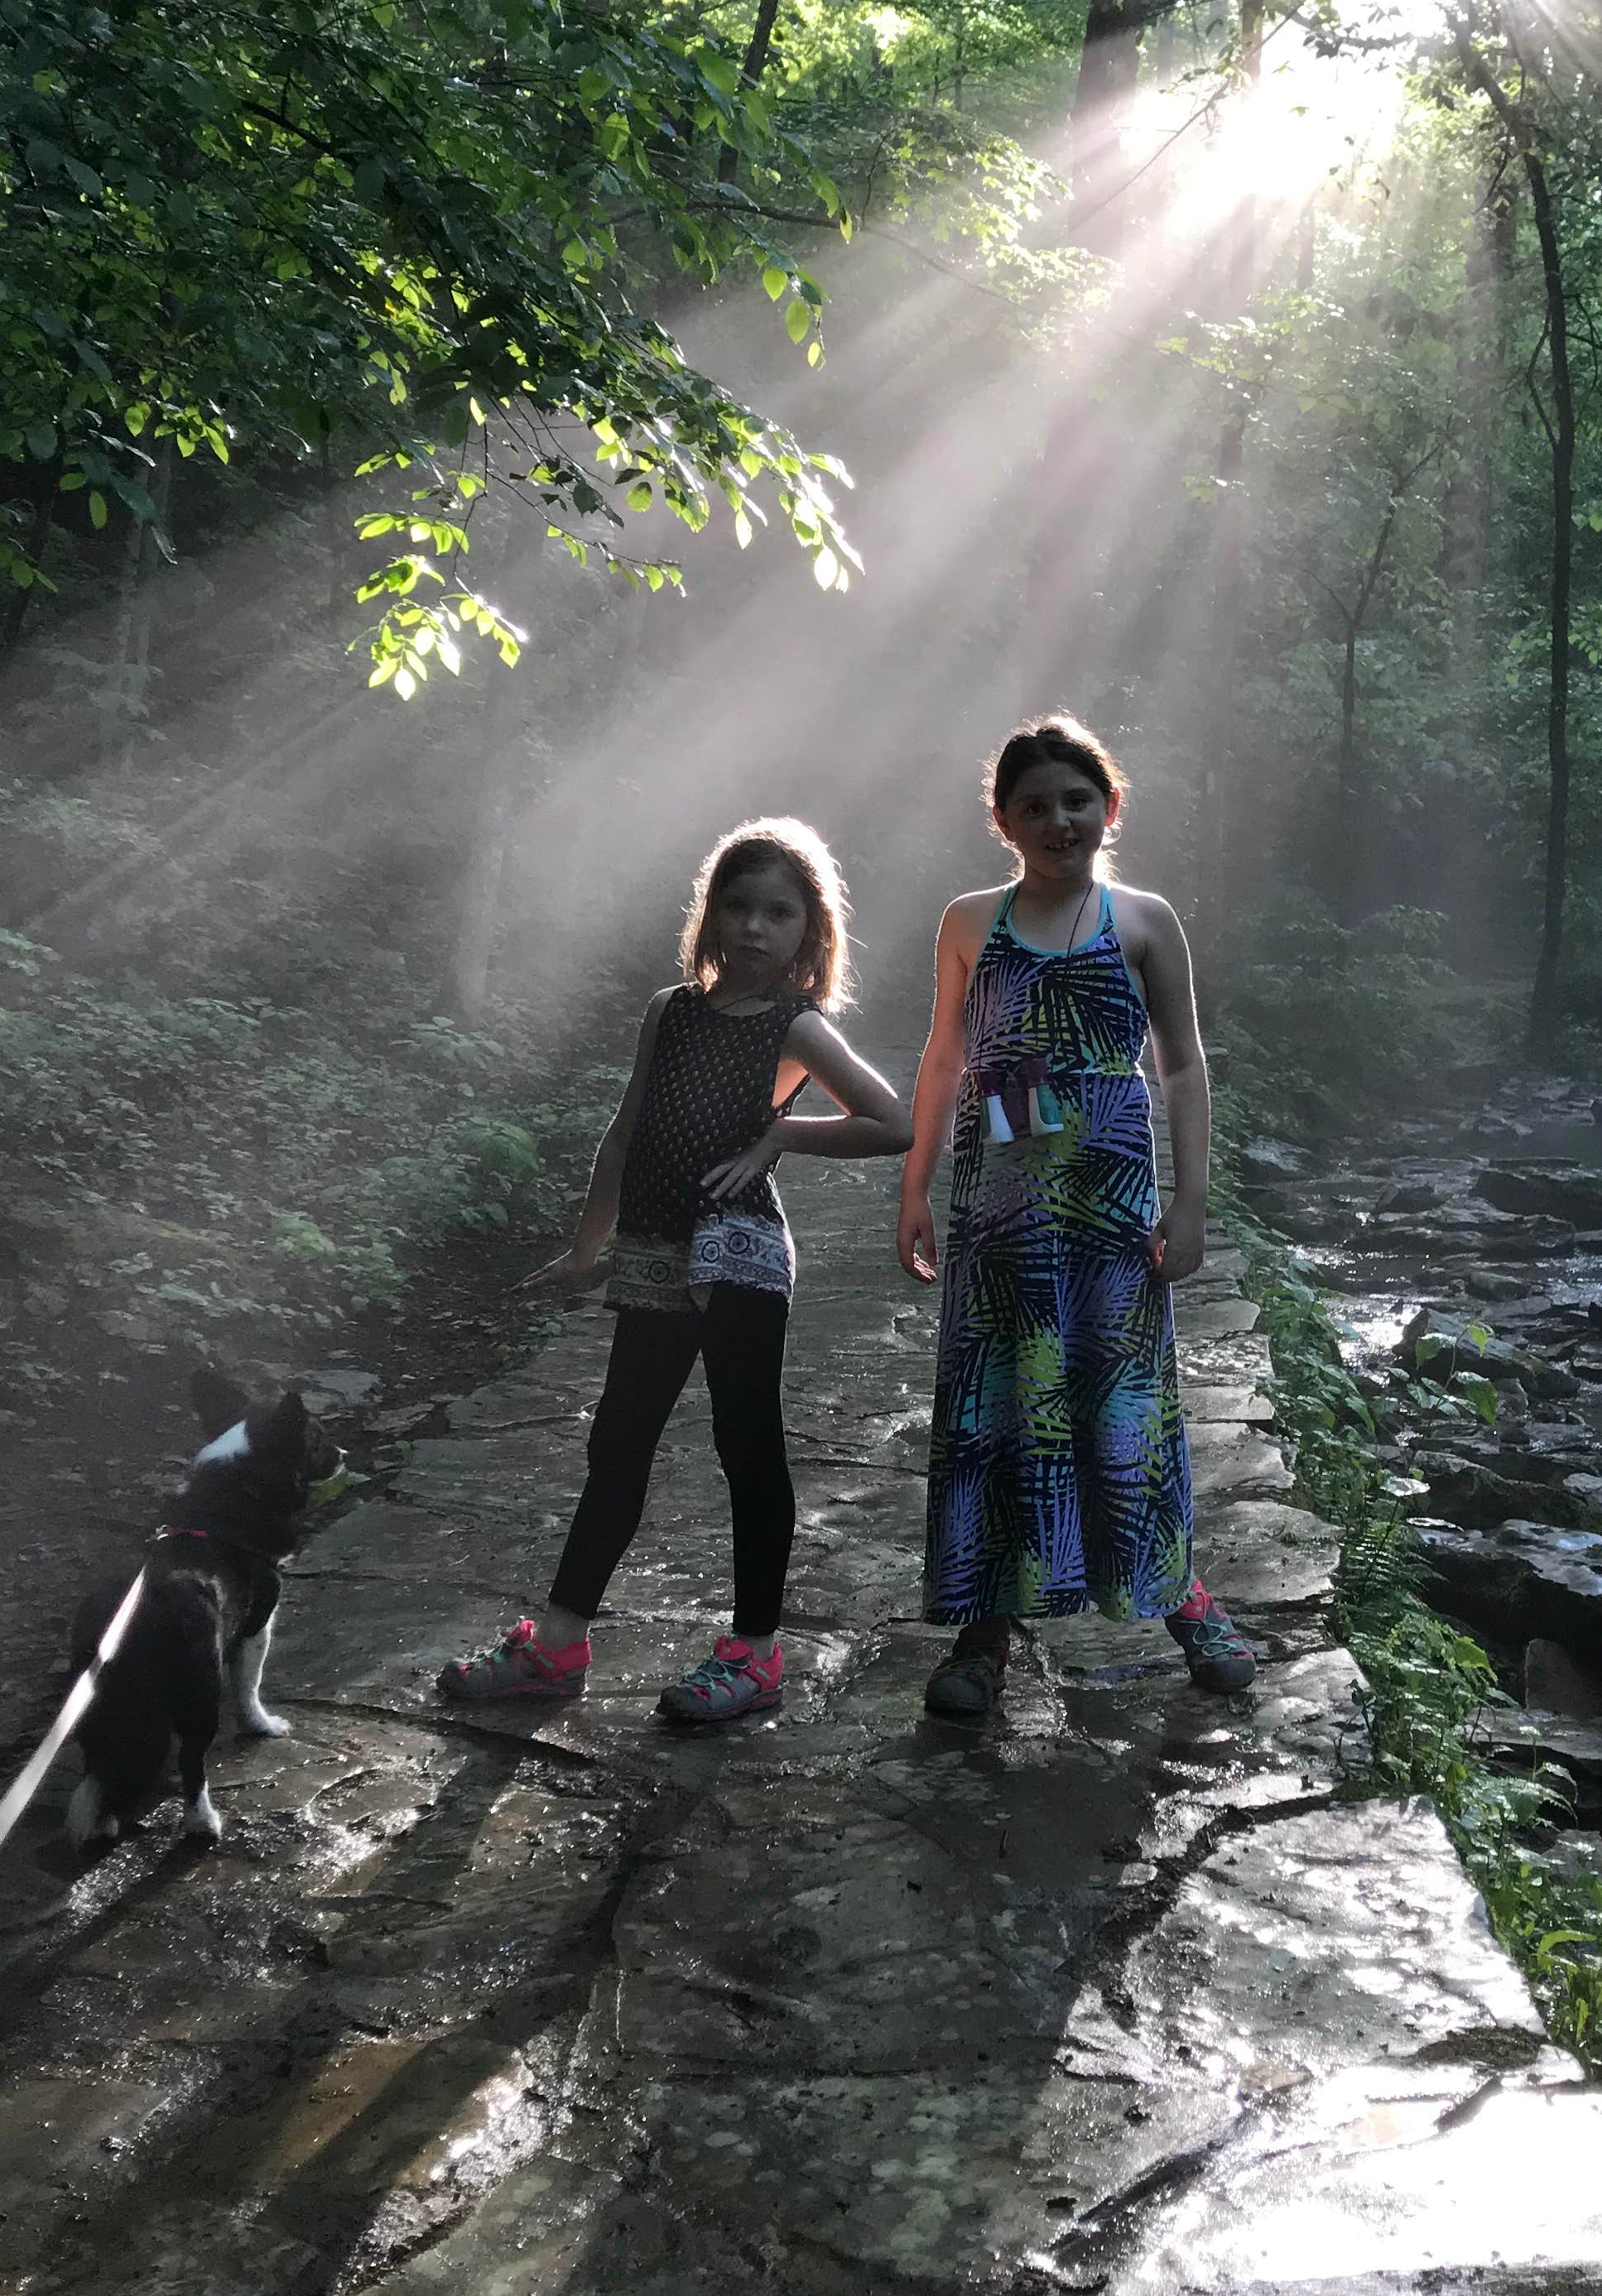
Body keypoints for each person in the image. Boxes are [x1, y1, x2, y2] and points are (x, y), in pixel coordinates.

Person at [439, 819, 910, 1726]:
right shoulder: (673, 1010)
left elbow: (892, 1122)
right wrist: (586, 1247)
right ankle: (560, 1642)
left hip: (739, 1253)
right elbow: (626, 1132)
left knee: (748, 1447)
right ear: (711, 916)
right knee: (618, 1442)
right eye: (737, 907)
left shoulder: (797, 1026)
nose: (755, 928)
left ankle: (756, 1654)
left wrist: (783, 1132)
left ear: (810, 933)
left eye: (779, 913)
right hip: (655, 1248)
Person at [897, 713, 1259, 1719]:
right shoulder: (970, 920)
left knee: (1126, 1400)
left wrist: (1191, 1200)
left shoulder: (1143, 920)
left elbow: (1183, 1064)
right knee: (998, 1403)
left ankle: (1181, 1595)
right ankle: (985, 1625)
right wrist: (914, 1186)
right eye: (1034, 806)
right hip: (1001, 1208)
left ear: (1109, 807)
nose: (1059, 819)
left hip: (1109, 1205)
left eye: (1076, 800)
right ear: (1004, 821)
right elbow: (942, 1059)